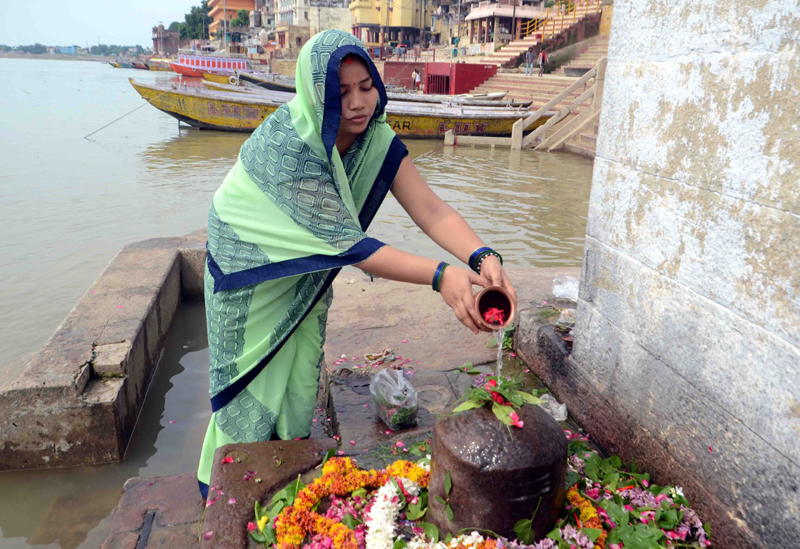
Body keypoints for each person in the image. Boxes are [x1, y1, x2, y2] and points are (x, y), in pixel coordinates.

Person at [196, 30, 517, 497]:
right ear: (314, 92)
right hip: (248, 273)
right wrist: (441, 276)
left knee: (299, 372)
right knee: (246, 395)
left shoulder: (374, 138)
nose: (358, 103)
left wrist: (482, 256)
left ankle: (285, 481)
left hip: (307, 269)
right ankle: (228, 499)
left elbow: (430, 209)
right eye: (340, 91)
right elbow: (353, 247)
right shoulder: (290, 147)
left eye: (366, 86)